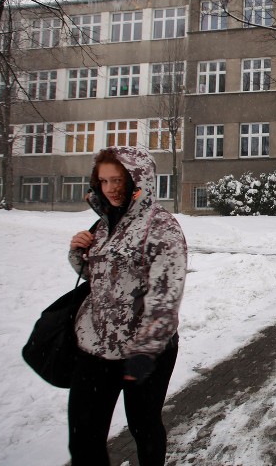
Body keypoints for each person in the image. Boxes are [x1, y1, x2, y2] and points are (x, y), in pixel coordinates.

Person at [68, 147, 187, 466]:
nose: (108, 188)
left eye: (117, 180)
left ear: (139, 180)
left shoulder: (162, 227)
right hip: (96, 347)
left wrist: (144, 351)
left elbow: (166, 294)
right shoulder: (105, 222)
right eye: (102, 180)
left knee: (143, 426)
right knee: (84, 436)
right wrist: (80, 253)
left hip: (144, 350)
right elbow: (102, 278)